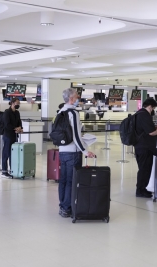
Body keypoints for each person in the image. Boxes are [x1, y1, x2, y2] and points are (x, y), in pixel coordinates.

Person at [58, 88, 95, 218]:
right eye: (77, 96)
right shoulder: (73, 113)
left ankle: (62, 205)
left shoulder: (61, 111)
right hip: (73, 152)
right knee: (70, 181)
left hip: (62, 151)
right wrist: (85, 151)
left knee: (63, 180)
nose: (78, 98)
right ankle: (67, 208)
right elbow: (76, 137)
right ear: (71, 98)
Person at [134, 98, 157, 198]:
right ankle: (140, 190)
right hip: (145, 147)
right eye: (153, 108)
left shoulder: (138, 114)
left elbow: (146, 129)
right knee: (145, 169)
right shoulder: (145, 115)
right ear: (149, 106)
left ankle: (142, 189)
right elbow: (151, 133)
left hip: (139, 146)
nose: (153, 110)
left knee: (143, 169)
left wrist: (155, 128)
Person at [1, 98, 23, 178]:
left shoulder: (17, 112)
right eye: (17, 103)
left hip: (14, 135)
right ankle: (4, 171)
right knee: (6, 153)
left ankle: (12, 170)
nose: (18, 105)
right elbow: (7, 124)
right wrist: (15, 128)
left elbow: (19, 122)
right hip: (8, 135)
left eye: (19, 103)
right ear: (12, 103)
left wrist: (20, 128)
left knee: (12, 154)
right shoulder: (7, 112)